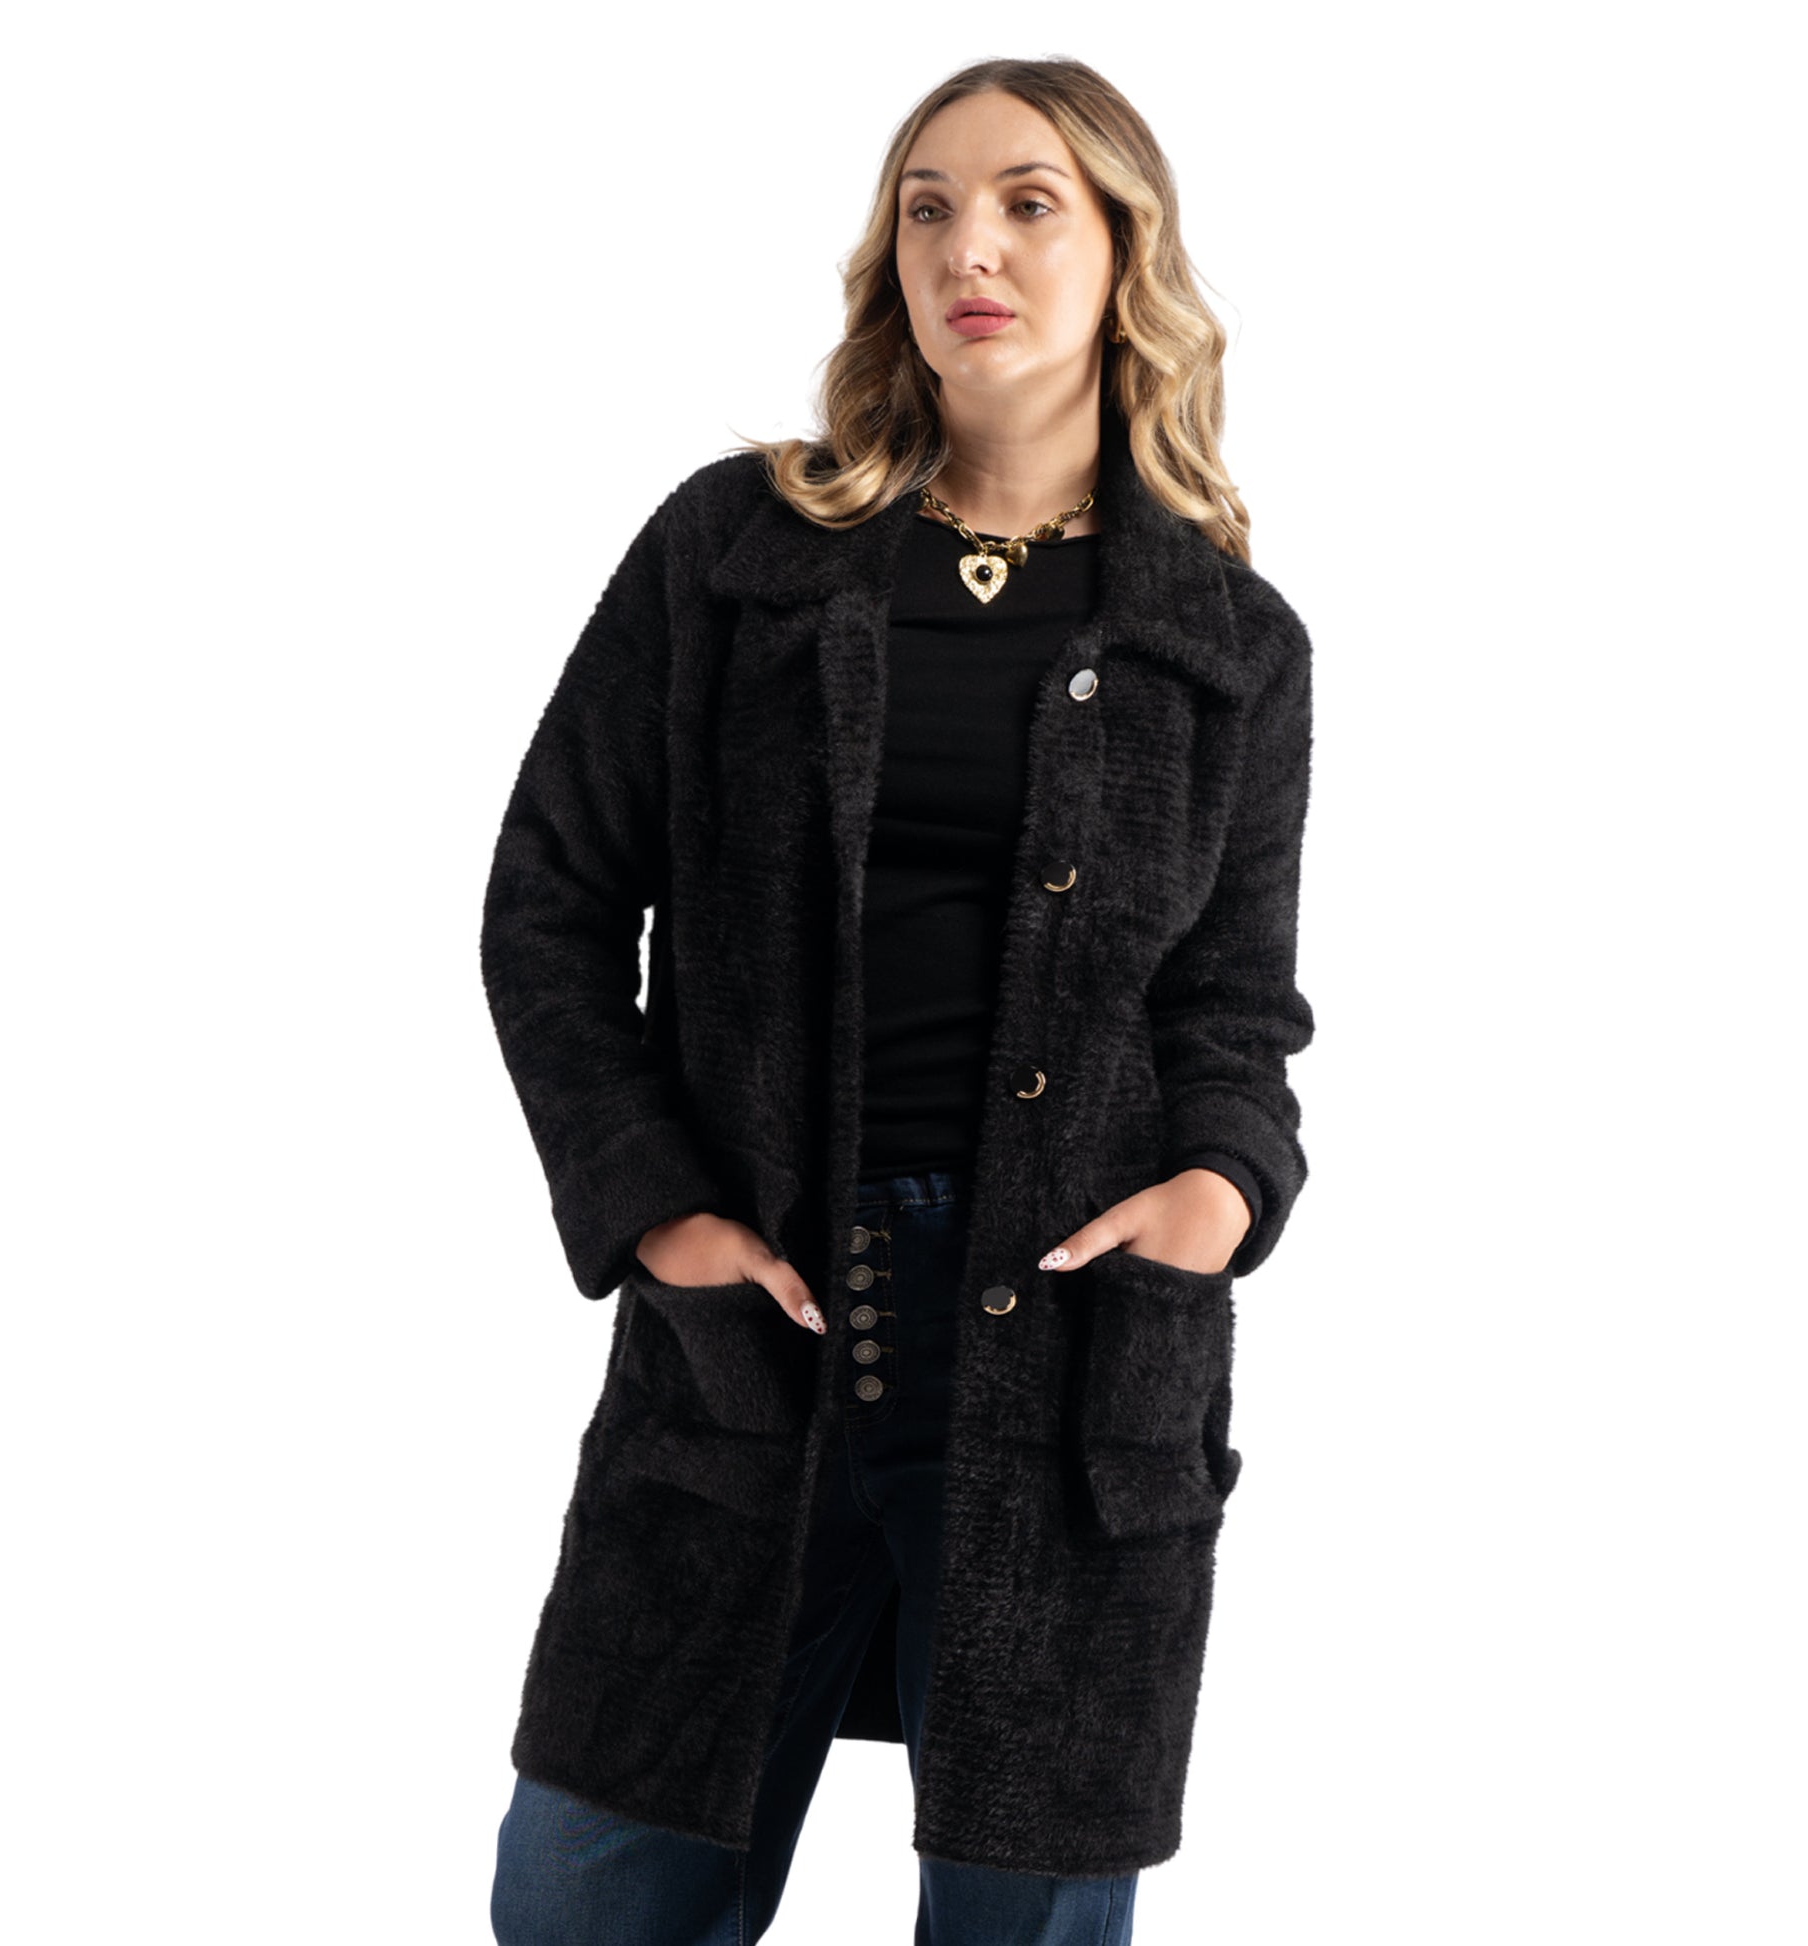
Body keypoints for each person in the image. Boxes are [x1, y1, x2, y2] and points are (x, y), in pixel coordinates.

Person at [482, 54, 1317, 1946]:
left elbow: (1233, 1008)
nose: (970, 249)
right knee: (588, 1893)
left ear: (1126, 254)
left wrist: (1220, 1190)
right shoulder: (736, 553)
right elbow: (547, 904)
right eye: (927, 208)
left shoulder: (1225, 642)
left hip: (1078, 1341)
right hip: (757, 1304)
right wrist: (654, 1207)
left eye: (1028, 203)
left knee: (1025, 1899)